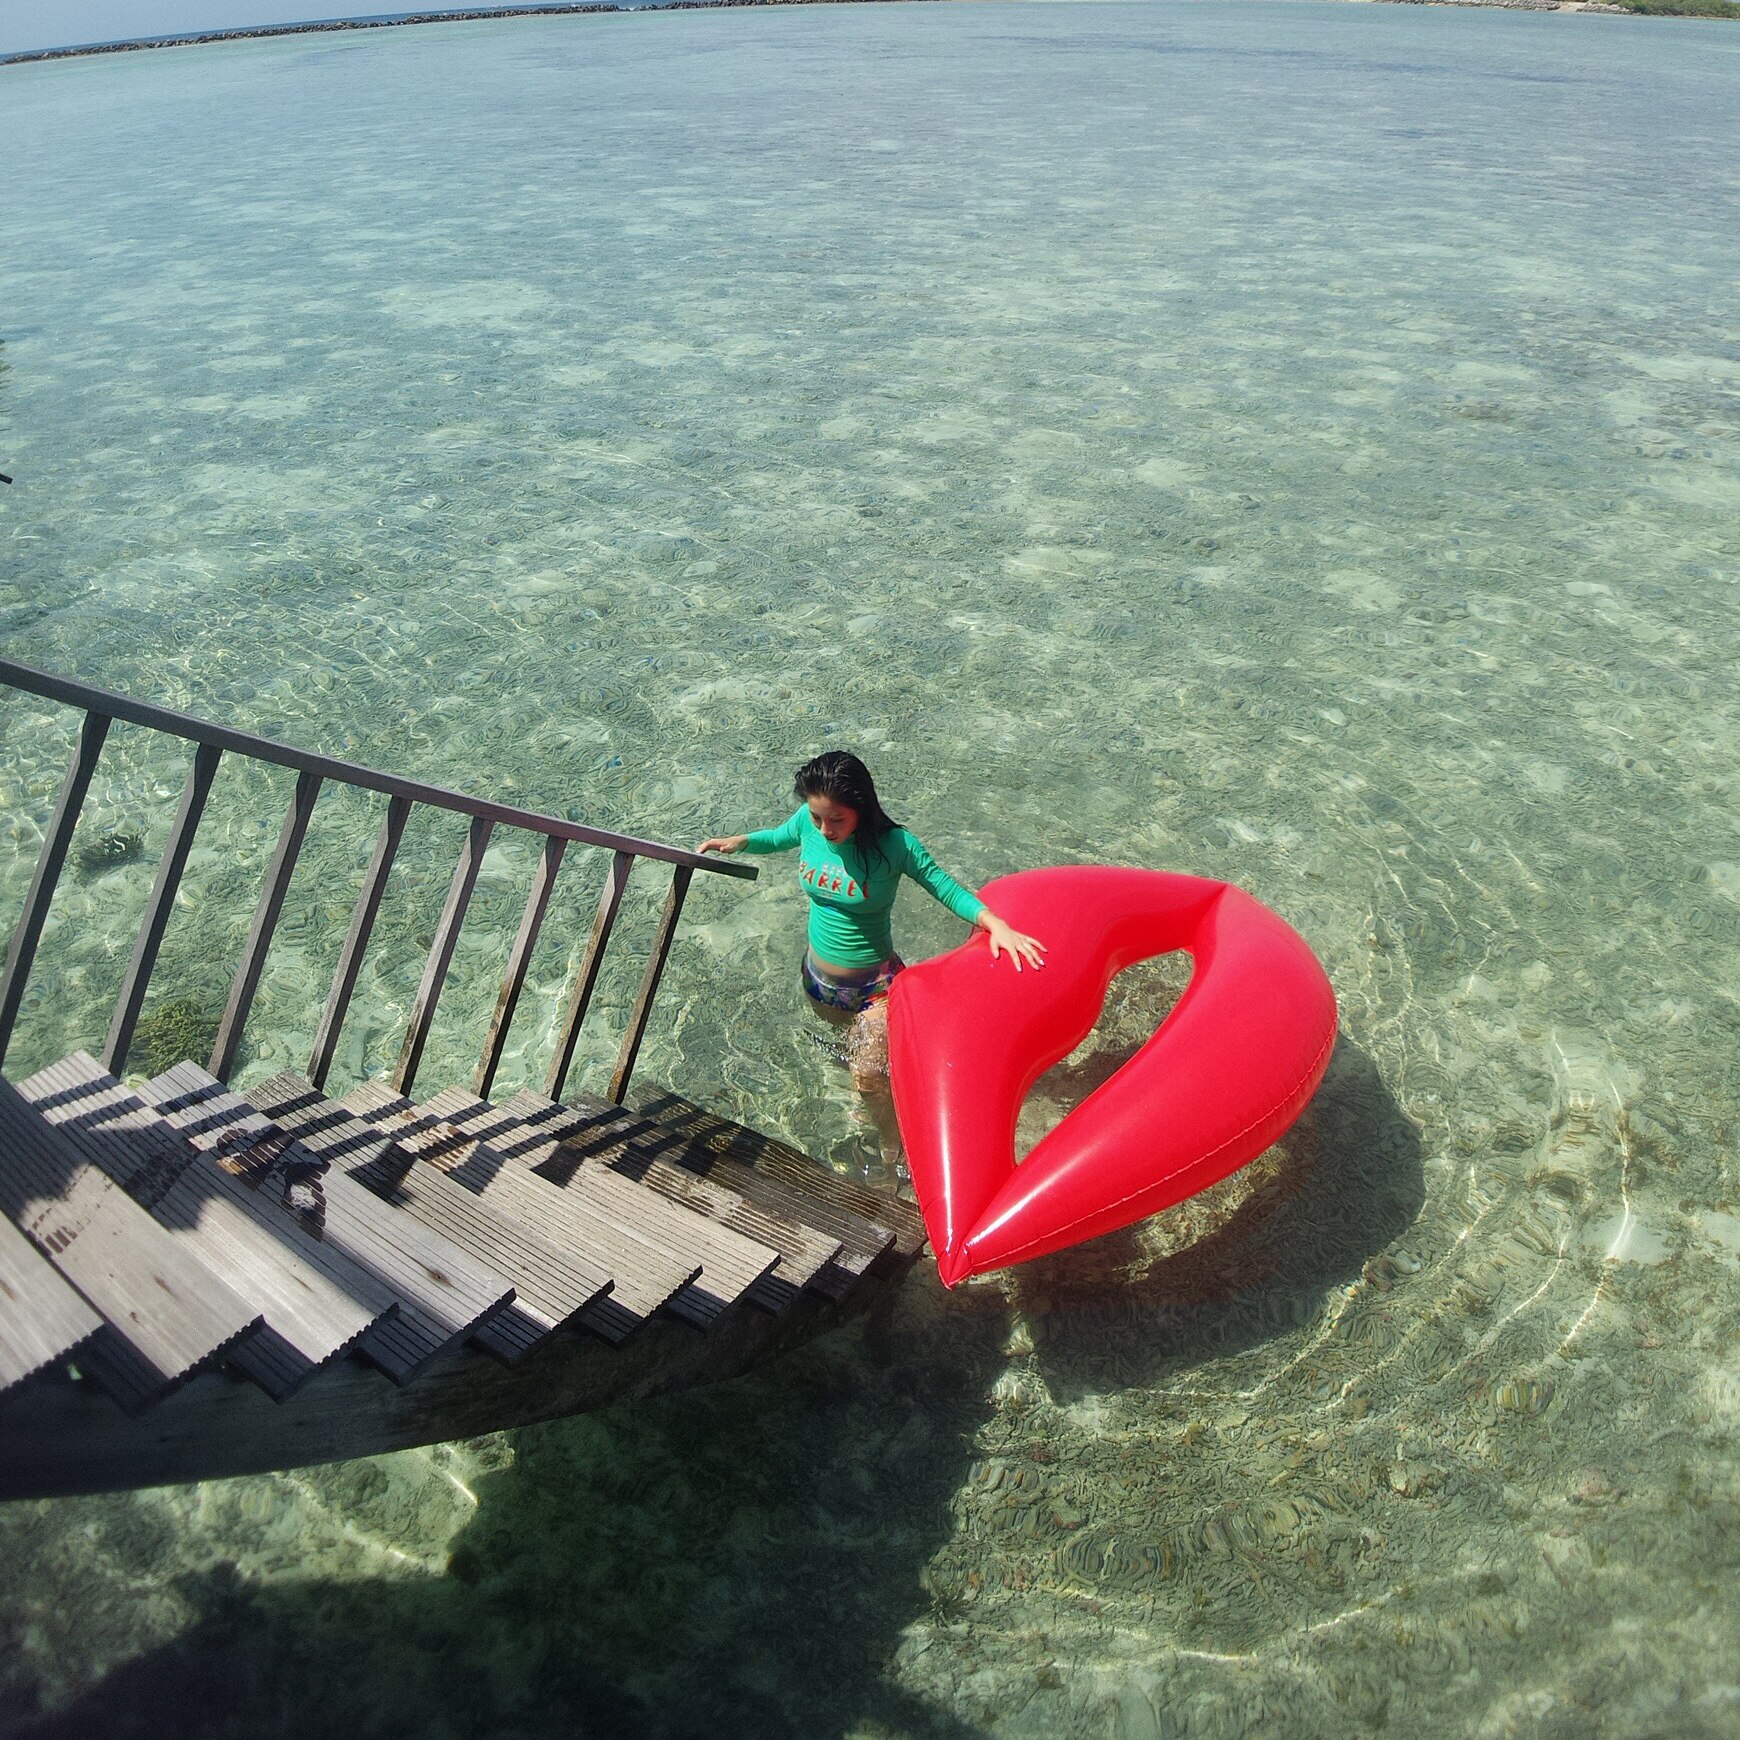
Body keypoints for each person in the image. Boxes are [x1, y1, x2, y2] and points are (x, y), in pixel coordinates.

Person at [699, 752, 1045, 1118]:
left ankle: (891, 1136)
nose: (824, 829)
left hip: (875, 990)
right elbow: (777, 838)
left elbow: (943, 886)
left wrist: (994, 922)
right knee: (840, 1059)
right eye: (817, 817)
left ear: (861, 808)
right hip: (818, 981)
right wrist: (741, 842)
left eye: (837, 819)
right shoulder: (808, 822)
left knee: (867, 1078)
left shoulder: (894, 845)